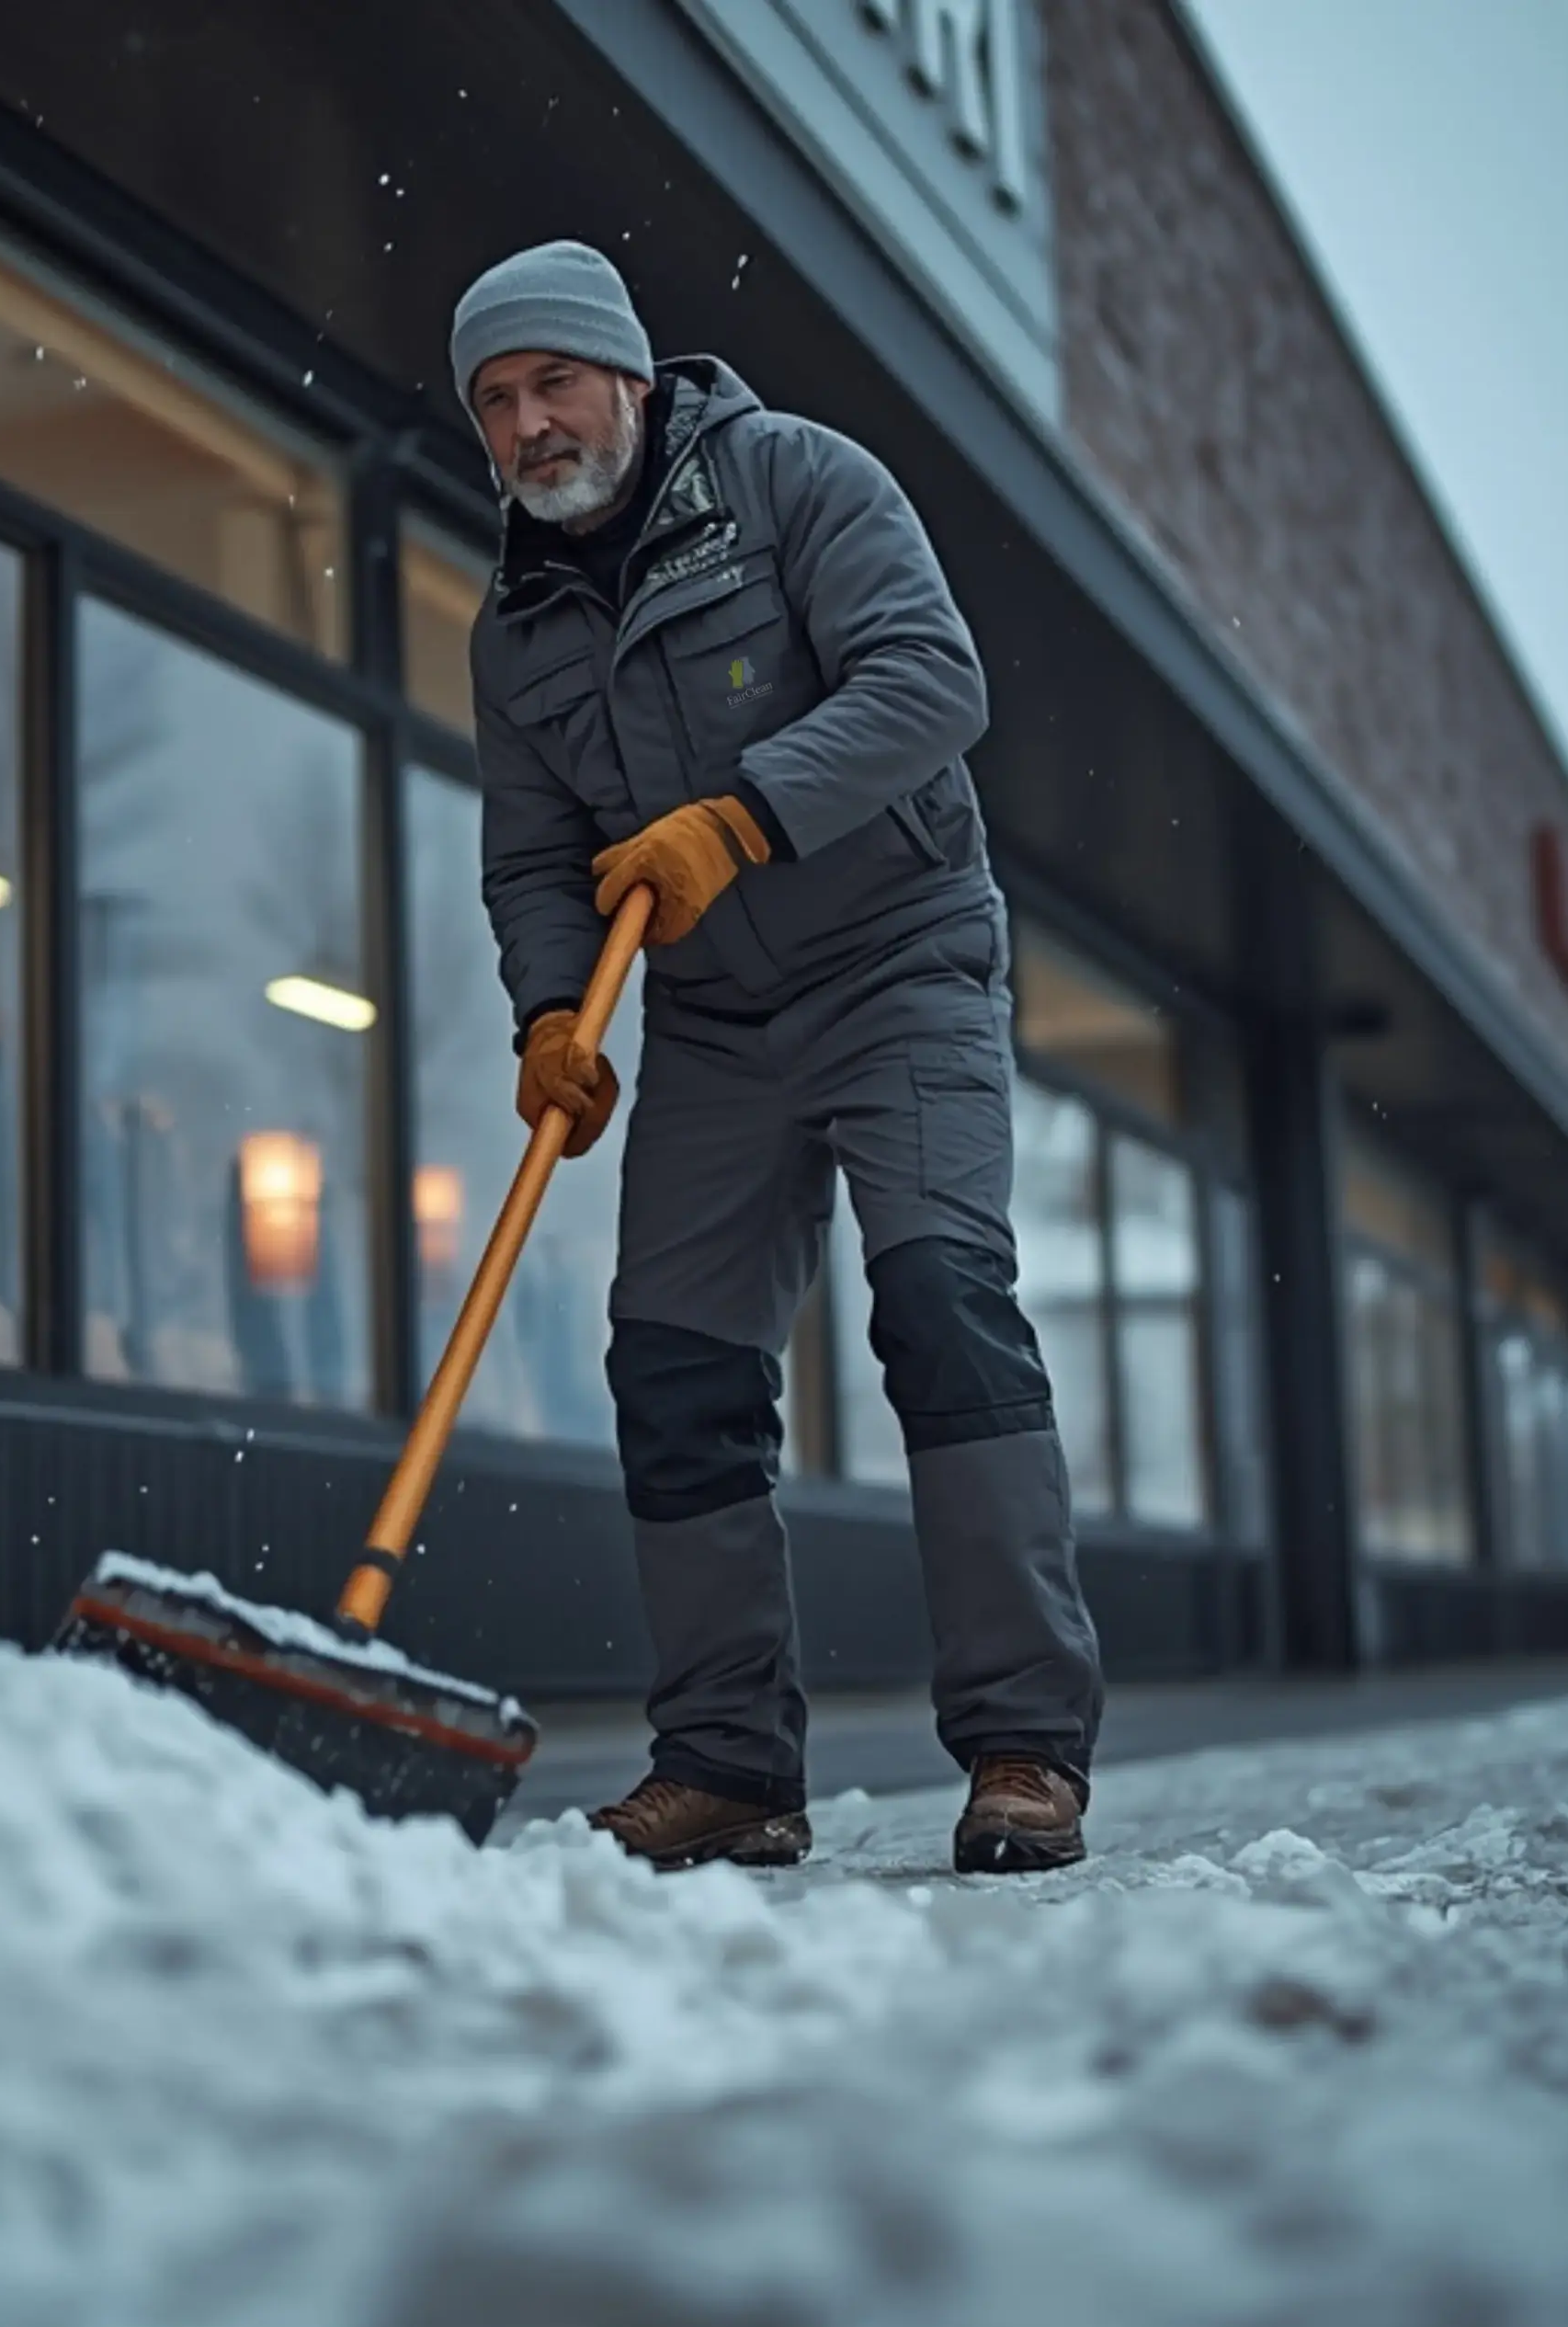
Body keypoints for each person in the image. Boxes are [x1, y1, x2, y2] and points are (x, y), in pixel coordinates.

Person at [453, 240, 1104, 1876]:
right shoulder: (516, 626)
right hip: (723, 1028)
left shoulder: (797, 480)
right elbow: (536, 862)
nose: (531, 427)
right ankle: (732, 1766)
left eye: (552, 384)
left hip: (903, 969)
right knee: (673, 1371)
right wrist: (550, 1015)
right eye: (496, 403)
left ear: (625, 374)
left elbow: (930, 681)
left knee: (943, 1306)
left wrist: (741, 818)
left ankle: (1025, 1746)